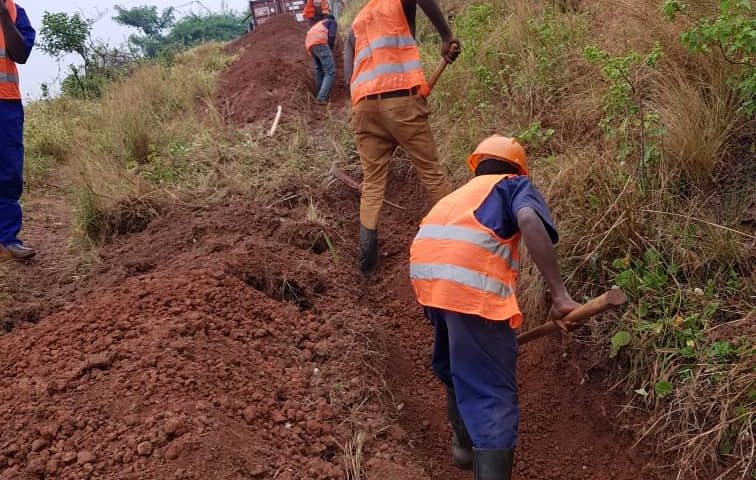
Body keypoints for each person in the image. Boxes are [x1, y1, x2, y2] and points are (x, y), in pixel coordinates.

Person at [409, 136, 581, 479]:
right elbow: (530, 220)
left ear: (477, 166)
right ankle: (479, 451)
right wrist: (560, 297)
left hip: (428, 283)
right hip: (470, 290)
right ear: (518, 168)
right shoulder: (513, 185)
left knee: (456, 360)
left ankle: (462, 445)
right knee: (491, 393)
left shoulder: (457, 196)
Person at [344, 0, 461, 276]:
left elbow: (349, 77)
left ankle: (366, 264)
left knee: (372, 183)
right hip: (401, 102)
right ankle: (461, 239)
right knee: (431, 173)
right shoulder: (396, 3)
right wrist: (446, 36)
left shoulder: (356, 24)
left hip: (363, 108)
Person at [0, 0, 35, 260]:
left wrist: (3, 13)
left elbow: (21, 54)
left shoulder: (14, 11)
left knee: (9, 172)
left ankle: (8, 238)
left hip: (6, 102)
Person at [305, 14, 337, 105]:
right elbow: (331, 36)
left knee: (319, 69)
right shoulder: (332, 22)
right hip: (320, 43)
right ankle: (321, 98)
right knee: (330, 71)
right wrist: (329, 50)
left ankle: (319, 94)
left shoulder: (319, 24)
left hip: (310, 45)